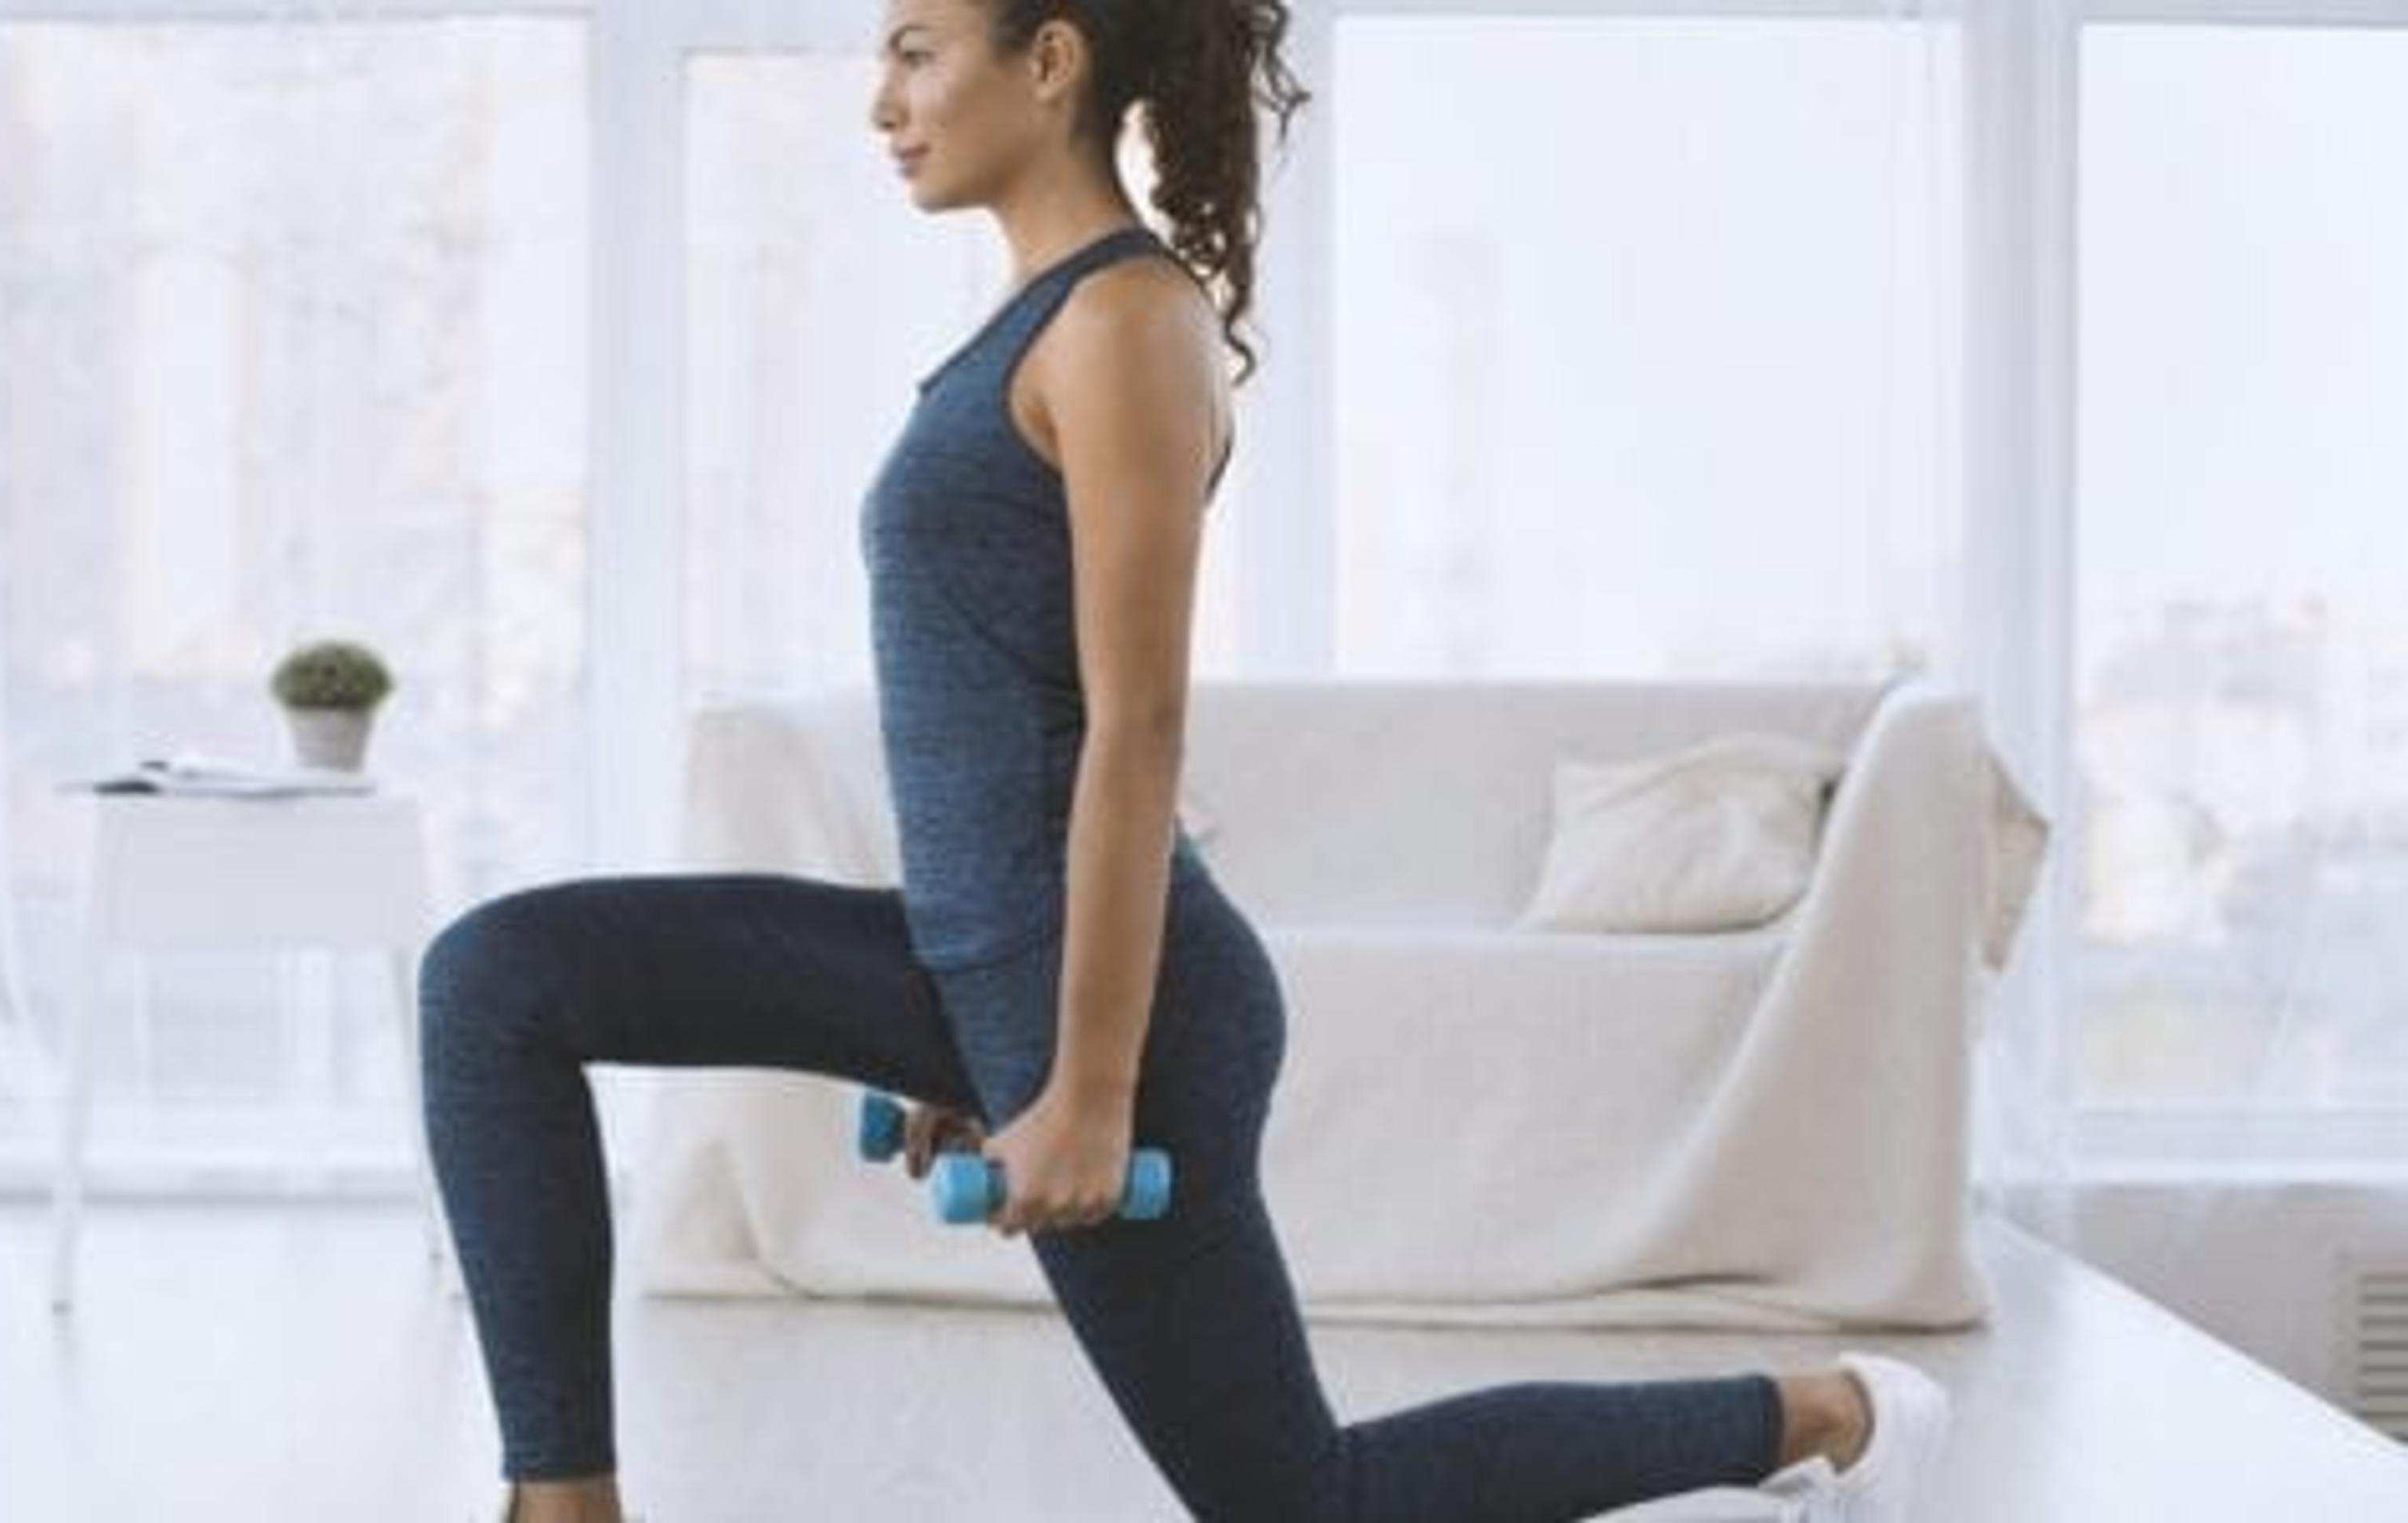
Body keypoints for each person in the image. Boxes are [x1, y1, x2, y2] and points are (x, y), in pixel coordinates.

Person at [420, 2, 1952, 1519]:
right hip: (982, 968)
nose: (879, 100)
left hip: (1127, 1011)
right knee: (498, 980)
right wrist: (964, 1039)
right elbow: (982, 719)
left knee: (1304, 1502)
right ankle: (563, 1504)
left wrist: (1085, 1083)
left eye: (915, 51)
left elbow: (1136, 729)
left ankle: (1825, 1416)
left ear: (1051, 59)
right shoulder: (1029, 327)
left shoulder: (1126, 324)